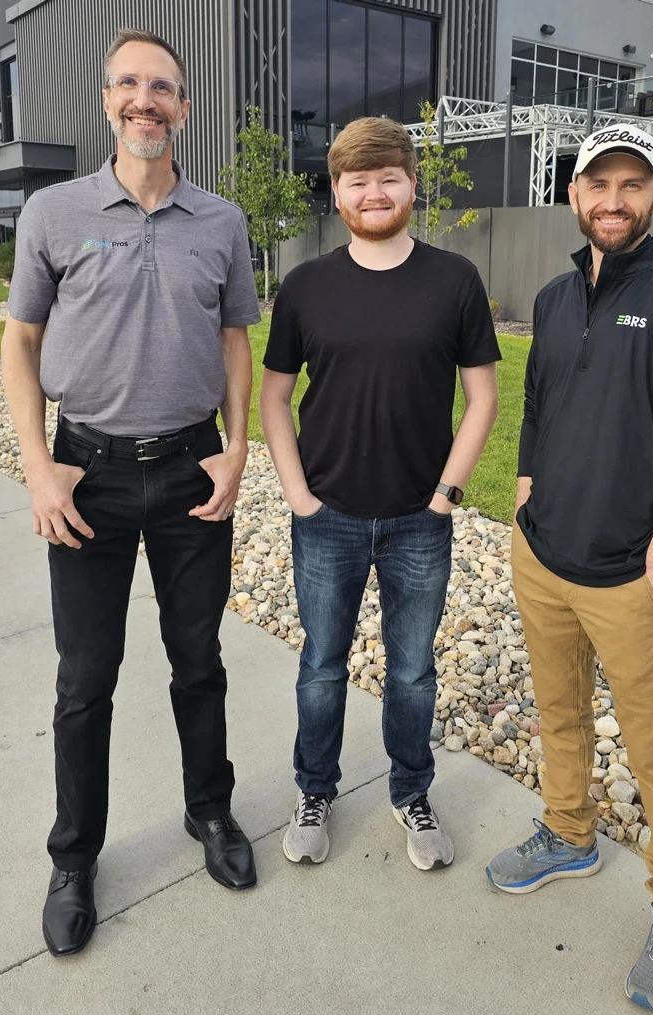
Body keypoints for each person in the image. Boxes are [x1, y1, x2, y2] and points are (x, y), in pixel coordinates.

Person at [1, 28, 260, 958]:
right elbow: (20, 344)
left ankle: (212, 814)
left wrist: (238, 450)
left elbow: (237, 340)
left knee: (199, 660)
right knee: (86, 680)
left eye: (163, 88)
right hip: (88, 476)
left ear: (184, 108)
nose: (145, 100)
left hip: (192, 469)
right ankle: (74, 859)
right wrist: (37, 463)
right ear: (107, 101)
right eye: (129, 85)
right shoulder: (54, 213)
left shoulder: (222, 223)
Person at [486, 124, 653, 1012]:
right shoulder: (556, 297)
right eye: (599, 184)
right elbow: (536, 404)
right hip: (544, 554)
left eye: (633, 185)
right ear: (575, 195)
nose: (613, 201)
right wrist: (524, 493)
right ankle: (568, 831)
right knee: (558, 712)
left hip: (630, 574)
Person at [260, 117, 500, 871]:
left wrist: (446, 495)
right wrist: (298, 495)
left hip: (417, 523)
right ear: (337, 192)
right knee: (322, 667)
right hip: (325, 517)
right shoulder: (305, 286)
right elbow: (273, 398)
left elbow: (483, 397)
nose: (373, 192)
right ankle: (314, 789)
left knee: (412, 671)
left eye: (387, 176)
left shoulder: (454, 280)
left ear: (411, 184)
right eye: (357, 180)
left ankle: (411, 792)